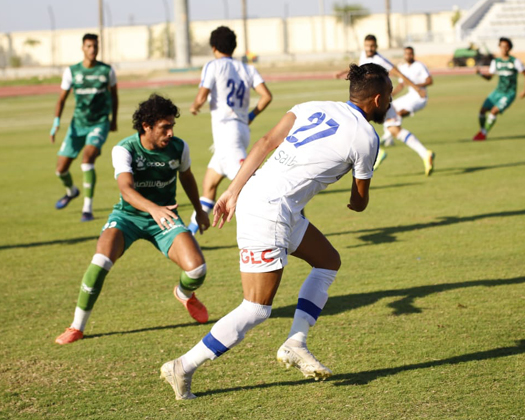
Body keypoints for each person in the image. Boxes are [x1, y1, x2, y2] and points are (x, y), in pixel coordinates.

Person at [160, 63, 391, 400]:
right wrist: (354, 191)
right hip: (270, 209)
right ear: (377, 98)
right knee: (256, 308)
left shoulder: (313, 106)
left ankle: (296, 342)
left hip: (265, 196)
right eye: (389, 97)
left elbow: (266, 142)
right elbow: (358, 203)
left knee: (327, 260)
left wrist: (233, 190)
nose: (390, 103)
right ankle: (183, 366)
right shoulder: (367, 137)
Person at [55, 94, 211, 345]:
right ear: (147, 126)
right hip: (128, 216)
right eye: (165, 127)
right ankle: (77, 326)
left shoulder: (179, 147)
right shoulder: (124, 148)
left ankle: (184, 294)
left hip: (164, 218)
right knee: (100, 261)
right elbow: (126, 189)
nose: (171, 132)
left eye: (172, 126)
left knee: (197, 269)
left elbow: (187, 176)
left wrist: (199, 209)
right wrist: (153, 209)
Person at [187, 26, 273, 235]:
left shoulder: (213, 66)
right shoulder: (247, 68)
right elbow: (266, 96)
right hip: (240, 131)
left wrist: (195, 106)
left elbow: (201, 96)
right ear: (234, 47)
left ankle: (280, 224)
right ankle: (187, 236)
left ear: (213, 47)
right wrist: (250, 116)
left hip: (227, 135)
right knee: (208, 187)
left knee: (252, 189)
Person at [335, 35, 433, 176]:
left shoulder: (380, 60)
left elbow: (399, 74)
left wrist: (416, 88)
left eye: (372, 46)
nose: (370, 48)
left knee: (354, 122)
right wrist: (343, 72)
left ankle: (378, 152)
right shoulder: (364, 55)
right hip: (371, 100)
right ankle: (425, 154)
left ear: (376, 46)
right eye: (367, 46)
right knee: (394, 130)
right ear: (364, 46)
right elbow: (358, 65)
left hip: (376, 101)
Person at [51, 33, 119, 222]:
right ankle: (71, 191)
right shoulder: (72, 72)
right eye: (89, 46)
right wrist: (56, 121)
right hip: (77, 124)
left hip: (99, 123)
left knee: (87, 158)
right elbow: (62, 99)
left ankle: (87, 209)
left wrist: (113, 119)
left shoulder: (107, 71)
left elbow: (114, 96)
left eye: (95, 46)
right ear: (82, 48)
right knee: (61, 170)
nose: (92, 50)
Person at [381, 46, 435, 176]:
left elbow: (430, 80)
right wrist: (390, 95)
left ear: (413, 54)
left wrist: (417, 86)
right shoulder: (403, 68)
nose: (408, 56)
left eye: (410, 53)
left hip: (419, 97)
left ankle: (385, 140)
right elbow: (401, 85)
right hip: (410, 95)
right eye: (406, 54)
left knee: (397, 114)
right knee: (387, 109)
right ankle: (388, 137)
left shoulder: (419, 66)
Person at [472, 37, 525, 141]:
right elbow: (489, 77)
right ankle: (482, 131)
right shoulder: (496, 62)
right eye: (502, 46)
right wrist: (480, 73)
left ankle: (483, 134)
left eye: (506, 46)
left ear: (510, 48)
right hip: (498, 91)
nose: (504, 49)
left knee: (494, 111)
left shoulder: (515, 61)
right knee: (482, 111)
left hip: (509, 93)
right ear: (499, 47)